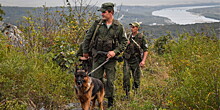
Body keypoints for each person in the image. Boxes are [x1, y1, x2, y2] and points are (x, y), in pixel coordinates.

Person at [82, 2, 128, 108]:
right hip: (97, 57)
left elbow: (124, 42)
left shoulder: (118, 26)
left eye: (104, 12)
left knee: (110, 81)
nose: (102, 14)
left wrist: (115, 52)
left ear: (111, 12)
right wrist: (85, 52)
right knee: (95, 79)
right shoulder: (97, 24)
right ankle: (94, 102)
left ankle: (110, 102)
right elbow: (87, 38)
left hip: (110, 59)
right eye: (101, 12)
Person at [123, 22, 148, 99]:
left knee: (136, 78)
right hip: (127, 59)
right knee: (126, 77)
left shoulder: (141, 37)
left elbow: (145, 50)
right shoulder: (128, 36)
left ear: (137, 28)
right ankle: (127, 94)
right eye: (131, 27)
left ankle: (136, 94)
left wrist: (143, 61)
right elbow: (122, 46)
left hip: (136, 60)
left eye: (133, 27)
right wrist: (125, 44)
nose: (132, 28)